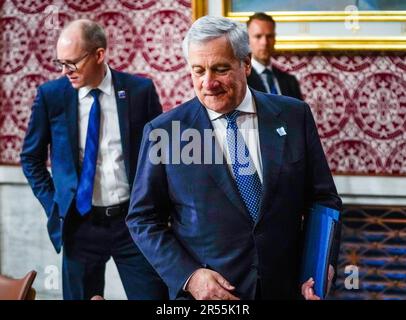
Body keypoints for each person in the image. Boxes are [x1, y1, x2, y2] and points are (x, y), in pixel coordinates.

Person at [126, 16, 341, 300]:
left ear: (247, 63)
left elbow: (323, 200)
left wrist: (318, 266)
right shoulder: (165, 132)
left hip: (288, 290)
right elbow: (143, 219)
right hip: (211, 296)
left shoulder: (294, 115)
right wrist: (189, 277)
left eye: (220, 69)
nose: (208, 83)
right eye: (198, 70)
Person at [20, 19, 168, 300]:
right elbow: (31, 158)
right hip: (81, 226)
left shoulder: (140, 91)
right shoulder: (52, 95)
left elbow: (160, 156)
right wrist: (55, 203)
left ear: (99, 55)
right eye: (60, 63)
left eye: (72, 63)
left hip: (132, 224)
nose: (65, 71)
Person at [247, 12, 303, 100]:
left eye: (269, 36)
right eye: (258, 36)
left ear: (274, 39)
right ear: (247, 40)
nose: (264, 43)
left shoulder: (290, 81)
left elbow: (300, 113)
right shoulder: (242, 81)